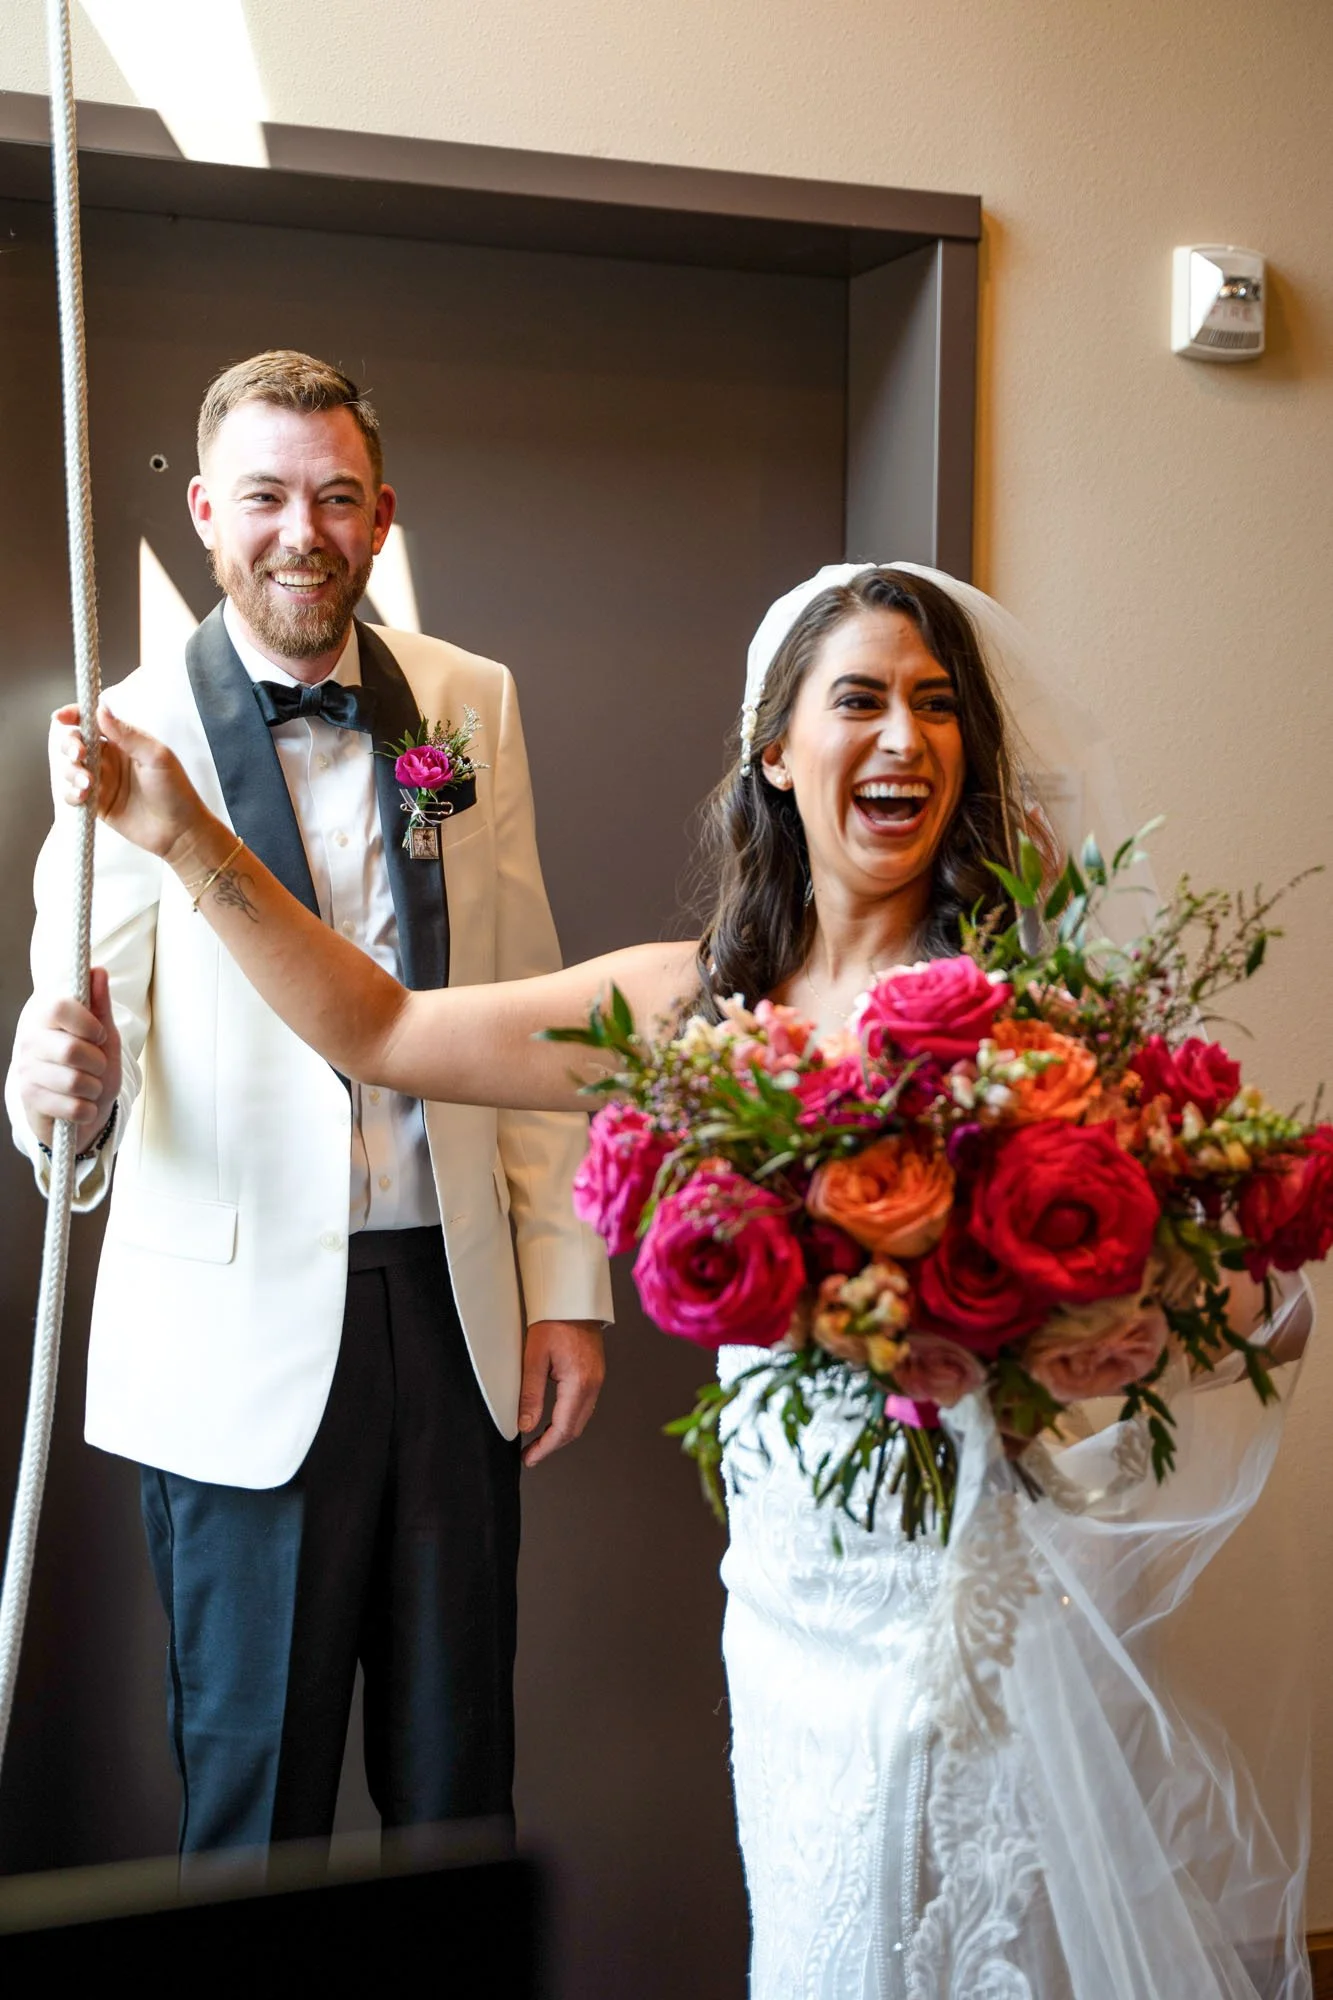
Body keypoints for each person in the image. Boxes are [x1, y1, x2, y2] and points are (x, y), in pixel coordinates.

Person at [44, 562, 1312, 1993]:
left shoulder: (1035, 1030)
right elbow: (381, 1029)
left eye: (937, 704)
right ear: (776, 751)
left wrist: (1121, 1324)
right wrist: (186, 837)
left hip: (959, 1632)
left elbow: (1252, 1304)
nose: (904, 737)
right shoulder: (687, 1006)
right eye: (861, 700)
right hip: (783, 1633)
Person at [6, 349, 611, 1864]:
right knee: (254, 1821)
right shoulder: (123, 732)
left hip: (452, 1314)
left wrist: (565, 1284)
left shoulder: (466, 705)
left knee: (458, 1797)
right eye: (267, 496)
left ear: (381, 516)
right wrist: (58, 1087)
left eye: (337, 498)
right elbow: (75, 1028)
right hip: (235, 1354)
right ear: (209, 514)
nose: (303, 531)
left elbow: (528, 1003)